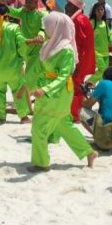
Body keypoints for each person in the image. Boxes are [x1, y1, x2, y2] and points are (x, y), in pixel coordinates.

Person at [27, 12, 98, 172]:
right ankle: (89, 152)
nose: (45, 30)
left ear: (56, 27)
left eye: (47, 27)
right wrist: (25, 85)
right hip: (48, 90)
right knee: (63, 125)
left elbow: (64, 76)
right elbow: (37, 68)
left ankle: (41, 163)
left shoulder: (66, 50)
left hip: (58, 93)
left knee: (39, 127)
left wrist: (45, 90)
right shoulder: (49, 45)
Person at [6, 0, 48, 103]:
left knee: (30, 73)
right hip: (25, 46)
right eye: (26, 1)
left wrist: (40, 35)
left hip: (38, 48)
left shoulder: (43, 13)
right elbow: (12, 12)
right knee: (36, 73)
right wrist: (3, 4)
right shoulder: (23, 11)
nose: (27, 3)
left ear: (36, 2)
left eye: (30, 1)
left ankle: (25, 98)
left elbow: (44, 28)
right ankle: (36, 93)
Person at [64, 0, 96, 122]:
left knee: (75, 87)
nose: (66, 6)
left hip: (80, 61)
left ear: (75, 7)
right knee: (77, 86)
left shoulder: (79, 20)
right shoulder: (81, 18)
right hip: (82, 59)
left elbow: (80, 46)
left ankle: (75, 115)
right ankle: (80, 111)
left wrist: (77, 65)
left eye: (69, 4)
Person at [87, 2, 112, 84]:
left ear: (104, 11)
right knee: (102, 70)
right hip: (95, 52)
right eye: (98, 10)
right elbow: (87, 37)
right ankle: (88, 83)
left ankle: (99, 88)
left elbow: (109, 37)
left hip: (105, 52)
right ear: (94, 11)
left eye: (101, 10)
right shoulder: (92, 22)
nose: (100, 12)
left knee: (105, 72)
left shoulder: (104, 23)